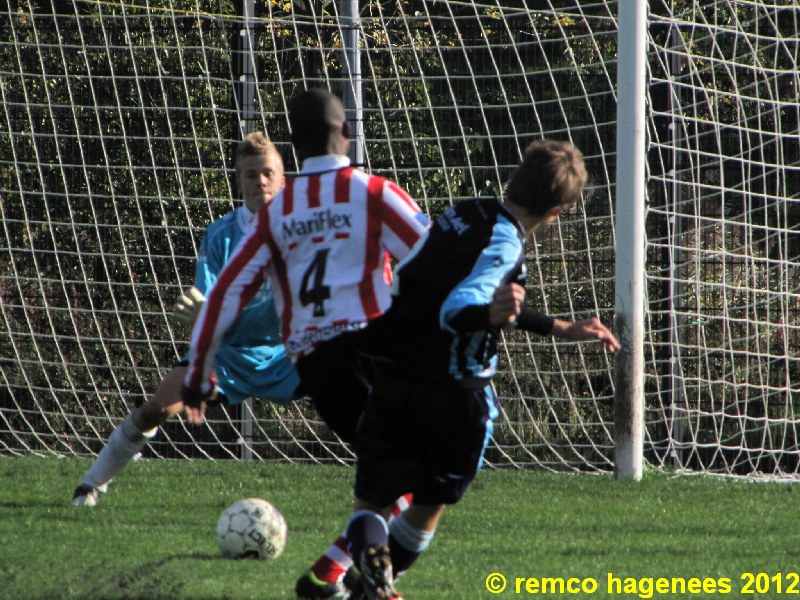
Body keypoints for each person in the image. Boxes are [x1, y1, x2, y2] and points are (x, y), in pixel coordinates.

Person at [337, 140, 621, 599]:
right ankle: (379, 583)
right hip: (456, 399)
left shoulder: (464, 212)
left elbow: (436, 284)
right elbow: (462, 306)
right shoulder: (506, 244)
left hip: (395, 381)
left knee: (371, 503)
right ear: (561, 209)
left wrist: (562, 327)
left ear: (516, 175)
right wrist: (488, 315)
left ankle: (368, 572)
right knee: (428, 506)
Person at [179, 88, 429, 599]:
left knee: (391, 479)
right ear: (348, 133)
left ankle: (327, 577)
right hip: (371, 351)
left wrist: (199, 368)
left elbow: (225, 293)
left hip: (316, 366)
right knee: (420, 474)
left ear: (293, 144)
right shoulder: (375, 192)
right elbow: (432, 259)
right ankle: (370, 584)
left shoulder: (279, 211)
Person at [71, 132, 301, 507]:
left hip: (288, 353)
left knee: (356, 400)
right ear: (238, 181)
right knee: (157, 408)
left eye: (267, 173)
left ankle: (391, 495)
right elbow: (205, 301)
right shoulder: (222, 235)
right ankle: (91, 484)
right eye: (250, 174)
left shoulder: (302, 231)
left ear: (282, 180)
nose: (259, 180)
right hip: (227, 354)